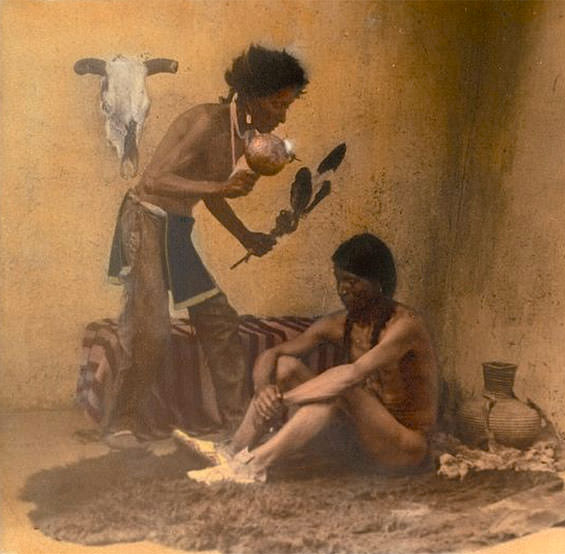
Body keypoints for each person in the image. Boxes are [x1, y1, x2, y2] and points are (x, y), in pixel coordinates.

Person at [104, 45, 308, 445]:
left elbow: (210, 194)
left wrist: (244, 235)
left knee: (219, 320)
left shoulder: (242, 135)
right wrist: (221, 185)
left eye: (288, 105)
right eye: (276, 103)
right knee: (153, 331)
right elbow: (152, 182)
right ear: (249, 96)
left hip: (175, 227)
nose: (282, 115)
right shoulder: (206, 122)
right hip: (144, 220)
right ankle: (122, 421)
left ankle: (238, 427)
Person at [173, 233, 439, 484]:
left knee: (339, 388)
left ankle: (253, 465)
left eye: (352, 281)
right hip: (362, 440)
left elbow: (352, 374)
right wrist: (264, 391)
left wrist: (285, 400)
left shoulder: (406, 325)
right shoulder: (340, 323)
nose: (343, 289)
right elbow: (273, 354)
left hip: (404, 448)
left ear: (379, 282)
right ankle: (232, 451)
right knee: (287, 367)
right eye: (339, 280)